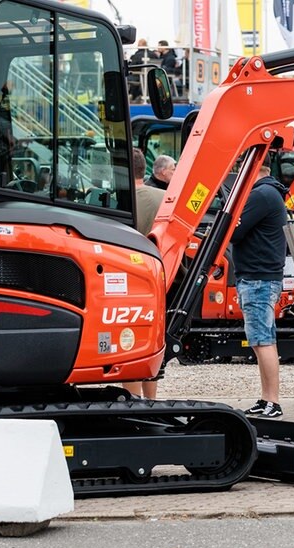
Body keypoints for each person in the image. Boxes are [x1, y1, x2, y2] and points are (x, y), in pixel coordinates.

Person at [231, 163, 288, 419]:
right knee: (262, 340)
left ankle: (272, 402)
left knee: (262, 340)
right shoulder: (270, 193)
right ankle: (267, 398)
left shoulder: (260, 195)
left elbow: (235, 230)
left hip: (257, 277)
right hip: (260, 276)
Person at [122, 148, 165, 400]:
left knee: (129, 338)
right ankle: (151, 400)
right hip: (157, 278)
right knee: (153, 340)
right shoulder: (164, 198)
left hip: (126, 278)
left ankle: (133, 400)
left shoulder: (119, 201)